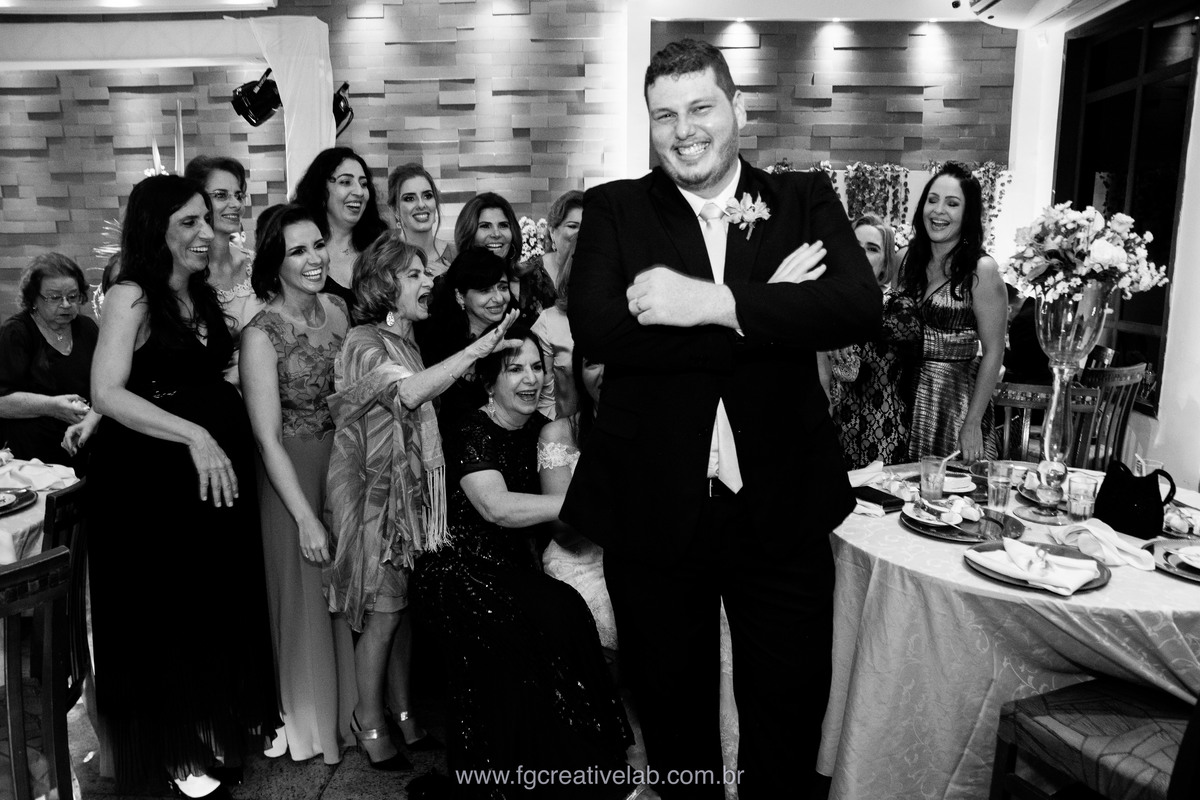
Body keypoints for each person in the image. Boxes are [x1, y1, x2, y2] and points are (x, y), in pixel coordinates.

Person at [563, 39, 881, 798]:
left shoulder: (802, 199)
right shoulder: (615, 209)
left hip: (782, 504)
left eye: (701, 107)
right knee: (674, 723)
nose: (684, 130)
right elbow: (599, 331)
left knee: (787, 715)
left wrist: (712, 302)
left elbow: (855, 306)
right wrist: (769, 313)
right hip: (653, 507)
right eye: (664, 115)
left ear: (737, 108)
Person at [88, 174, 279, 798]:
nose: (205, 232)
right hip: (153, 482)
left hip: (211, 481)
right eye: (189, 223)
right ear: (155, 230)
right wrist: (195, 435)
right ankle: (175, 744)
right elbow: (107, 391)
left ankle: (210, 721)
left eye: (206, 219)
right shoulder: (131, 295)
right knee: (167, 609)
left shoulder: (201, 293)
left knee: (211, 603)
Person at [324, 232, 517, 769]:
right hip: (372, 498)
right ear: (383, 285)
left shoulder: (408, 341)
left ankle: (404, 714)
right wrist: (476, 348)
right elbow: (407, 393)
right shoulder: (363, 342)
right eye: (414, 274)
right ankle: (368, 720)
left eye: (426, 272)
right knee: (384, 615)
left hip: (407, 497)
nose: (428, 280)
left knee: (402, 612)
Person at [412, 330, 633, 798]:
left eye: (537, 367)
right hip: (460, 570)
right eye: (515, 369)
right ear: (489, 382)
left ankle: (566, 767)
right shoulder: (471, 430)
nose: (530, 379)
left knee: (559, 610)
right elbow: (496, 508)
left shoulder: (540, 430)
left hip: (512, 568)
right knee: (559, 609)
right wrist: (590, 504)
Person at [239, 204, 356, 764]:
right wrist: (305, 517)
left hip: (342, 468)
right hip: (291, 478)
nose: (314, 259)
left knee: (341, 596)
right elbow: (266, 438)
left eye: (318, 245)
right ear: (274, 263)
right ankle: (311, 726)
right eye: (297, 251)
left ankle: (349, 713)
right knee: (306, 597)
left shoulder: (339, 309)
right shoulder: (260, 335)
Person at [900, 163, 1007, 463]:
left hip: (955, 404)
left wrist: (972, 422)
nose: (938, 211)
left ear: (968, 213)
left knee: (955, 489)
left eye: (952, 203)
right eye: (932, 200)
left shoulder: (981, 270)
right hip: (903, 397)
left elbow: (994, 352)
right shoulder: (905, 260)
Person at [417, 247, 553, 430]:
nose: (498, 298)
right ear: (460, 296)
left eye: (502, 287)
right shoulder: (433, 343)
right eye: (485, 290)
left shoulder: (516, 339)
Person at [828, 214, 921, 468]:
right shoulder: (828, 303)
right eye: (855, 246)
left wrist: (842, 325)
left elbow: (908, 330)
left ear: (885, 262)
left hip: (883, 435)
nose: (861, 255)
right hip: (836, 433)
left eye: (872, 249)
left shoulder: (898, 304)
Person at [537, 351, 614, 650]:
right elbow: (564, 531)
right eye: (593, 362)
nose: (605, 372)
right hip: (581, 562)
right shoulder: (558, 434)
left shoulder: (657, 430)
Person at [0, 252, 100, 469]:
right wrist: (52, 406)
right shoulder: (16, 333)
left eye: (72, 296)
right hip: (33, 460)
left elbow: (104, 386)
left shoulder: (87, 328)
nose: (66, 304)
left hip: (84, 447)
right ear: (33, 299)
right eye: (54, 297)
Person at [293, 146, 389, 309]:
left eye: (364, 184)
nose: (359, 192)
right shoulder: (299, 252)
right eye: (345, 182)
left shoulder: (382, 248)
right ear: (321, 190)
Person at [454, 192, 557, 319]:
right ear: (468, 233)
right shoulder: (450, 285)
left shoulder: (536, 279)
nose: (496, 234)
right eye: (485, 226)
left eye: (503, 225)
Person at [530, 191, 584, 416]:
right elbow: (544, 395)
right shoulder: (529, 278)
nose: (581, 232)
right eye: (573, 225)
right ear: (552, 231)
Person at [387, 162, 457, 274]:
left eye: (427, 196)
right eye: (409, 198)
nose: (421, 204)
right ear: (395, 210)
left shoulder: (457, 255)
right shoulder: (383, 259)